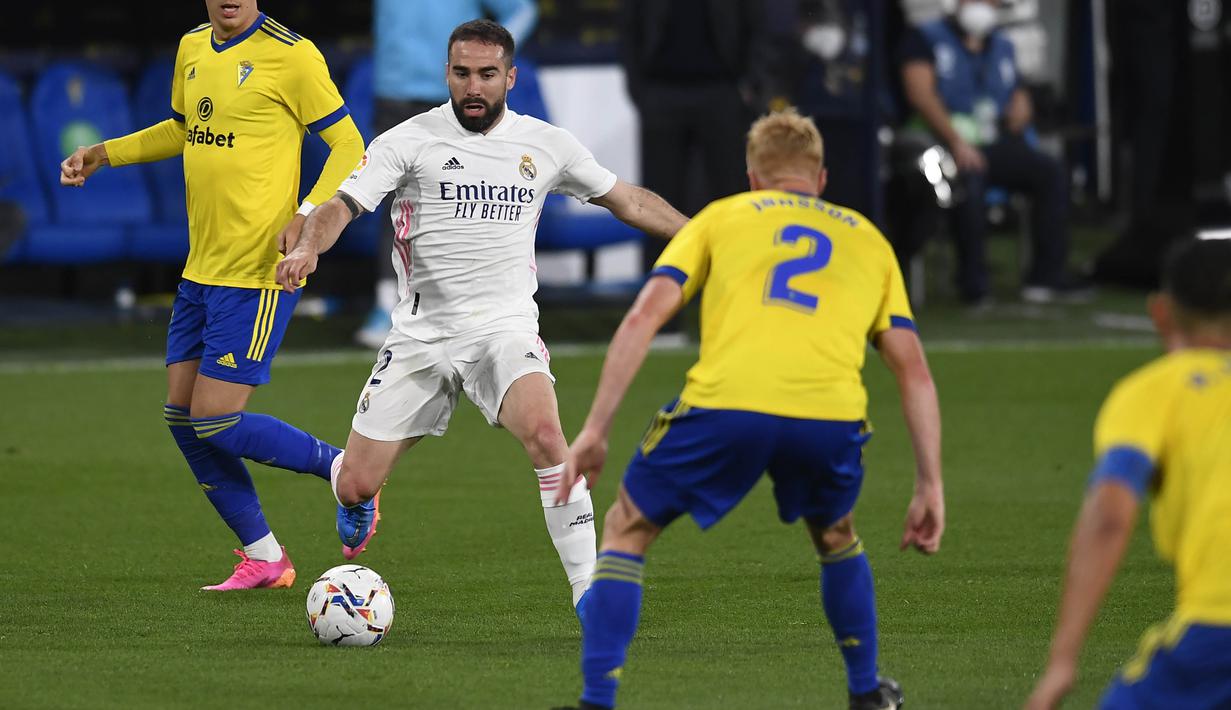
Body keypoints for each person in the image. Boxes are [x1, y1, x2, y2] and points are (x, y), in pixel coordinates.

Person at [278, 20, 688, 607]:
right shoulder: (408, 140)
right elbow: (342, 206)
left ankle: (590, 591)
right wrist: (306, 247)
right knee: (354, 481)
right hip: (421, 333)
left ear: (510, 77)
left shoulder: (545, 144)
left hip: (504, 329)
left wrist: (706, 237)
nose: (474, 86)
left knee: (548, 436)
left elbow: (630, 200)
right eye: (463, 73)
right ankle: (357, 496)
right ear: (447, 73)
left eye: (488, 75)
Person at [551, 108, 945, 710]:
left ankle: (596, 701)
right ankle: (866, 692)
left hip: (725, 409)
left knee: (628, 526)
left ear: (754, 177)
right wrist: (930, 481)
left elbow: (643, 318)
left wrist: (597, 428)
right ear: (820, 178)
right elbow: (912, 369)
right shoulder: (868, 239)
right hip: (828, 417)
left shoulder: (721, 217)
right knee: (835, 533)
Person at [59, 0, 365, 590]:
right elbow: (182, 128)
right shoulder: (193, 46)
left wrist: (305, 216)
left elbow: (350, 145)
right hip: (201, 270)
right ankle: (265, 558)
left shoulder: (293, 54)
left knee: (217, 421)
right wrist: (104, 153)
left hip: (259, 273)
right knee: (183, 417)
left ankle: (347, 470)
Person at [1025, 236, 1231, 709]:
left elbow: (1111, 515)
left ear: (1160, 312)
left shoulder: (1156, 391)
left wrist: (1062, 661)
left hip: (1218, 632)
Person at [356, 0, 539, 349]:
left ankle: (480, 306)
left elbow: (522, 10)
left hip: (457, 96)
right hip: (393, 93)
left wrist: (484, 63)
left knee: (468, 200)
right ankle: (388, 304)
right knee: (394, 205)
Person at [898, 0, 1086, 305]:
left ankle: (1046, 277)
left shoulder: (1002, 43)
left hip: (991, 142)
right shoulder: (925, 37)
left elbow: (1017, 91)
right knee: (966, 181)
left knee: (1050, 172)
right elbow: (920, 94)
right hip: (938, 147)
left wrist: (1021, 108)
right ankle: (974, 283)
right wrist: (956, 140)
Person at [620, 0, 790, 275]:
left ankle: (731, 291)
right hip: (661, 93)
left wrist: (751, 86)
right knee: (657, 204)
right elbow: (629, 28)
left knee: (731, 203)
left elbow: (757, 26)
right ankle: (661, 306)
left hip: (722, 93)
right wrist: (640, 90)